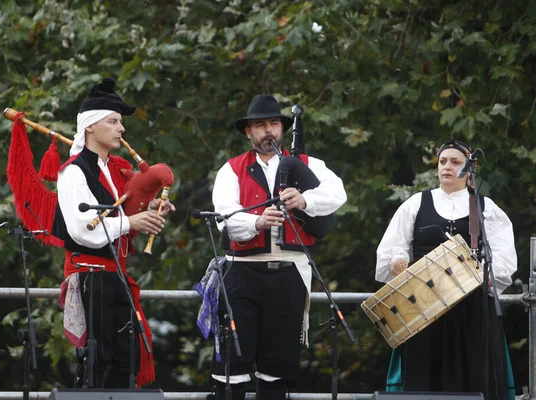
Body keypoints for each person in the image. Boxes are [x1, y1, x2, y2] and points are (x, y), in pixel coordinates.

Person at [210, 95, 347, 400]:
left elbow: (338, 193)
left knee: (277, 370)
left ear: (282, 129)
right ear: (249, 132)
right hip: (241, 274)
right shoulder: (231, 169)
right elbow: (224, 216)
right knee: (232, 366)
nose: (268, 130)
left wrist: (305, 200)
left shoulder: (308, 164)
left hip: (288, 275)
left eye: (273, 124)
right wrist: (257, 223)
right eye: (260, 125)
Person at [52, 78, 174, 388]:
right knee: (99, 362)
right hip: (90, 276)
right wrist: (131, 223)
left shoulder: (112, 170)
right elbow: (82, 230)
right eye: (113, 121)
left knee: (124, 361)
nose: (121, 129)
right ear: (90, 127)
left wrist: (148, 213)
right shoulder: (74, 172)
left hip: (115, 277)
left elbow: (121, 219)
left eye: (120, 122)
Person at [375, 139, 517, 400]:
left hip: (471, 313)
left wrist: (480, 273)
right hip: (424, 313)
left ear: (469, 169)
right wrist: (399, 264)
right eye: (442, 162)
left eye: (455, 162)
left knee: (473, 382)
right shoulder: (416, 204)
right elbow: (390, 252)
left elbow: (503, 264)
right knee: (422, 384)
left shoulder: (486, 208)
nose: (447, 167)